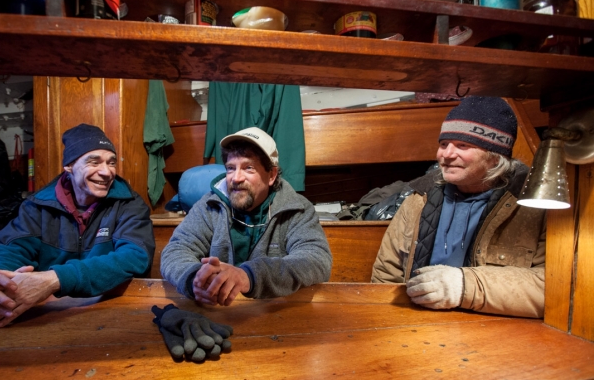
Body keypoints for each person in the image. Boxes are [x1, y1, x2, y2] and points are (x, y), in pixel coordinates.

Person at [0, 123, 156, 329]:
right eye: (94, 162)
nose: (106, 172)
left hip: (112, 312)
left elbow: (134, 257)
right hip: (50, 317)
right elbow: (1, 248)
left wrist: (53, 280)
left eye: (111, 162)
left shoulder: (129, 204)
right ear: (69, 166)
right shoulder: (37, 206)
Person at [371, 96, 546, 318]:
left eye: (463, 145)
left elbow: (555, 288)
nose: (447, 155)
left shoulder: (533, 205)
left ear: (495, 157)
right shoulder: (417, 199)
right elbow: (387, 274)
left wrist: (464, 286)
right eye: (444, 144)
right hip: (417, 325)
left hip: (498, 332)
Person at [161, 127, 332, 306]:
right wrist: (196, 279)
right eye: (230, 168)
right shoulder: (208, 206)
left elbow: (315, 259)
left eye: (248, 168)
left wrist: (248, 276)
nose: (236, 178)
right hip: (218, 312)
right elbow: (176, 251)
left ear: (271, 175)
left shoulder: (297, 208)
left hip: (274, 312)